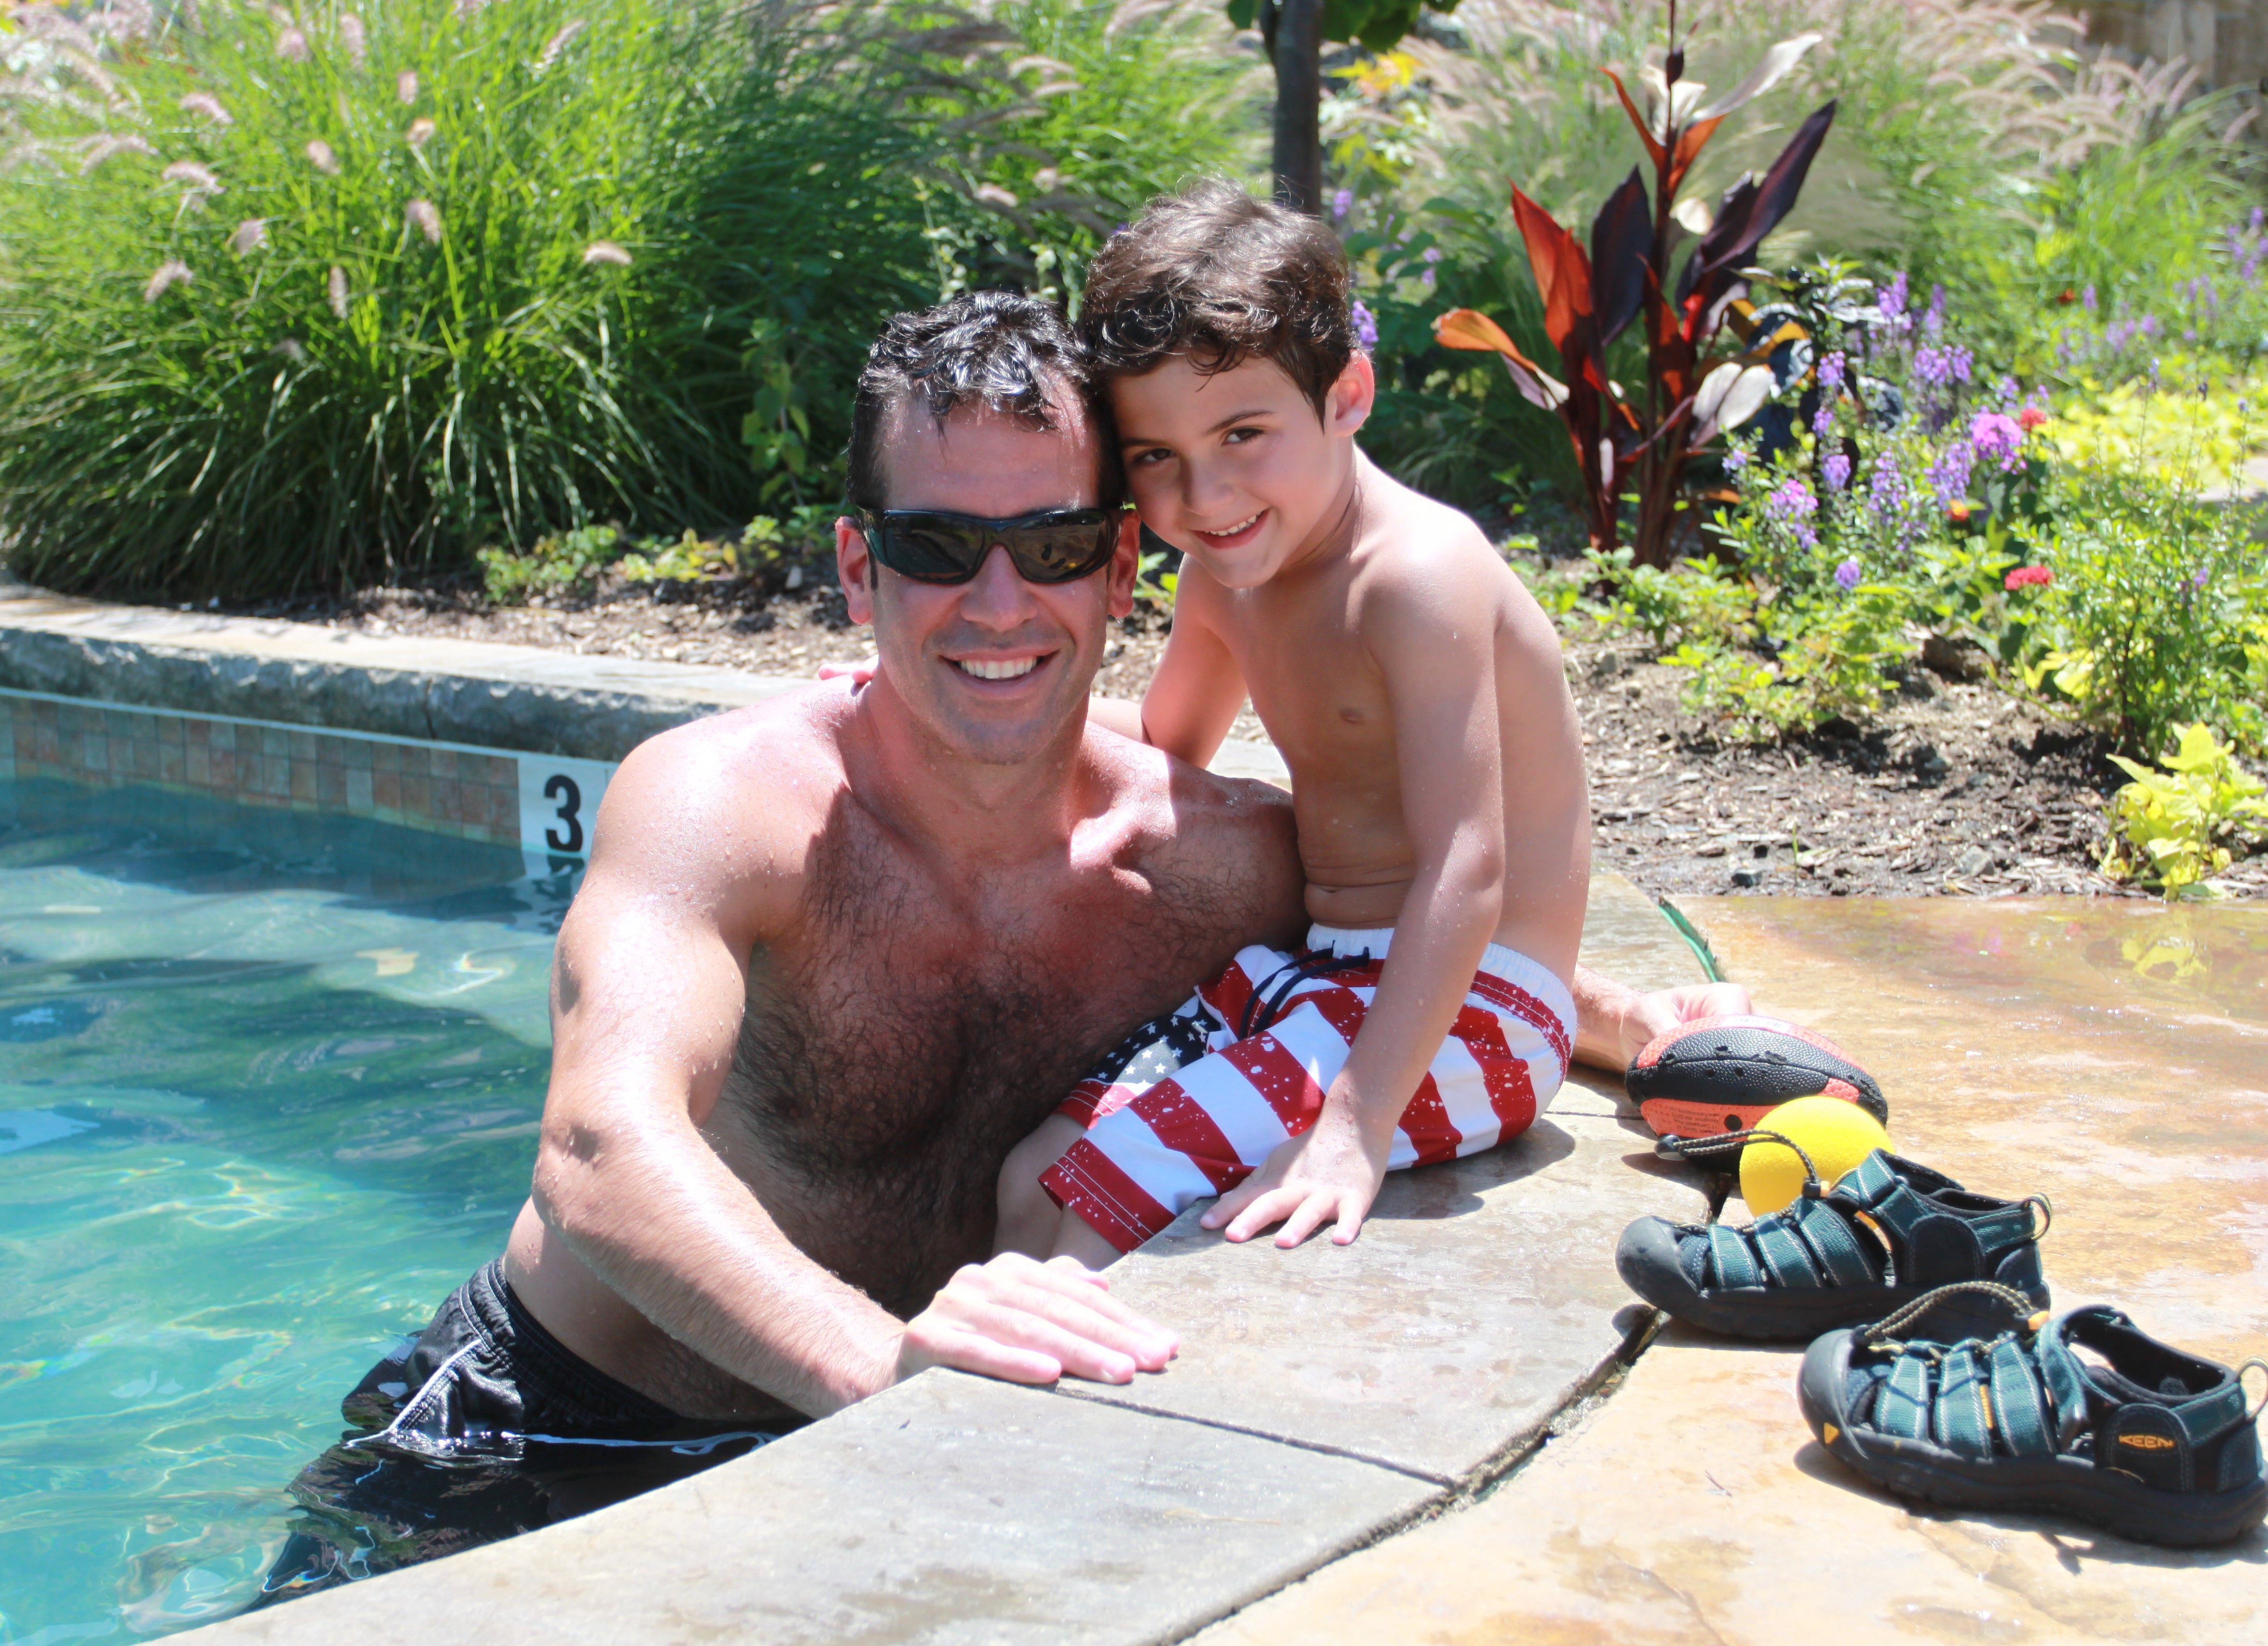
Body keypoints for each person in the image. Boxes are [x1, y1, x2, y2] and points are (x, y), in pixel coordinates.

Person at [258, 290, 1746, 1601]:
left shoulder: (1215, 861)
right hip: (548, 1421)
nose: (997, 603)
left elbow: (1399, 948)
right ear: (860, 569)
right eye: (938, 545)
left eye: (1049, 545)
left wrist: (1612, 1019)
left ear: (1119, 571)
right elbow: (599, 1151)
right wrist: (881, 1372)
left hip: (892, 1440)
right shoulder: (731, 805)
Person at [997, 182, 1594, 1267]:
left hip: (1483, 1015)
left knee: (1098, 1203)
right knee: (1031, 1174)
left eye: (1243, 433)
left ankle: (1104, 1427)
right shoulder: (1230, 580)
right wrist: (953, 701)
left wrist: (1353, 1132)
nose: (1204, 494)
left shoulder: (1412, 578)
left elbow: (1470, 861)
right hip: (1320, 977)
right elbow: (1167, 740)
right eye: (1156, 457)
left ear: (1347, 395)